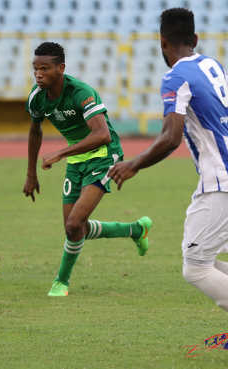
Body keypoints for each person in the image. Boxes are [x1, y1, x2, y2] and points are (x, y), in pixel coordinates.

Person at [108, 9, 228, 365]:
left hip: (223, 182)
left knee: (195, 268)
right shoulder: (213, 66)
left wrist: (133, 164)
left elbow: (170, 137)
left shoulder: (174, 77)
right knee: (201, 259)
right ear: (195, 40)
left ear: (162, 42)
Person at [23, 42, 152, 297]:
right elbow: (35, 130)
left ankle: (61, 282)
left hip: (105, 157)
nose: (38, 74)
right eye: (35, 68)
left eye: (45, 69)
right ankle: (135, 229)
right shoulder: (37, 98)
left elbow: (102, 135)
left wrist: (60, 152)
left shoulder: (81, 92)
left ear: (61, 68)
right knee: (74, 229)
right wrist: (31, 173)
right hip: (77, 160)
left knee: (74, 222)